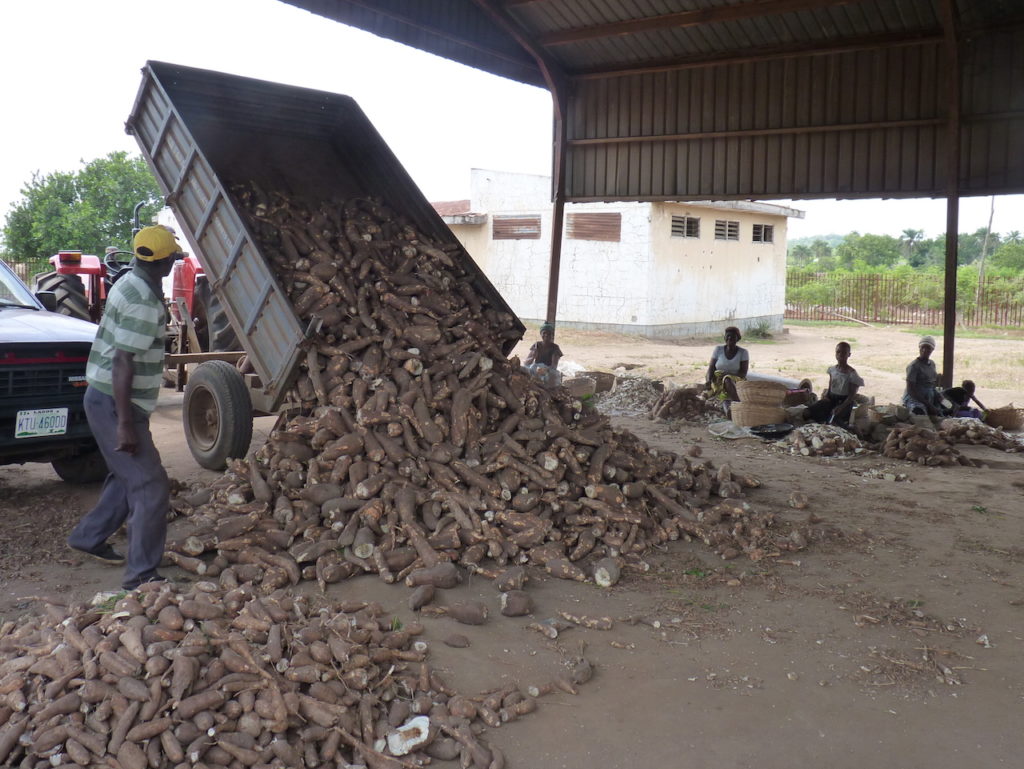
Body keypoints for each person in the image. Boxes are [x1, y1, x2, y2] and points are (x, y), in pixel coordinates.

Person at [67, 225, 180, 591]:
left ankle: (88, 536)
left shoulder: (128, 282)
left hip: (106, 399)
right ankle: (141, 576)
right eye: (173, 257)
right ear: (164, 263)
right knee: (150, 485)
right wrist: (126, 424)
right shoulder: (143, 303)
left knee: (125, 474)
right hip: (117, 404)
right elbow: (122, 362)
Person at [806, 341, 864, 427]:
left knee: (833, 420)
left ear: (849, 354)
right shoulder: (832, 370)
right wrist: (826, 396)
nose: (840, 354)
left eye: (844, 352)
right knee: (808, 411)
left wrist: (841, 407)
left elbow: (851, 396)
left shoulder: (852, 374)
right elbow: (831, 386)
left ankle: (851, 430)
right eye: (838, 352)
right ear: (835, 353)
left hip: (844, 402)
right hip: (831, 399)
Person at [705, 326, 749, 405]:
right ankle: (727, 405)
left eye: (732, 336)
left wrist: (727, 374)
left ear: (737, 339)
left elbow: (743, 373)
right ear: (724, 337)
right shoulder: (718, 349)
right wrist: (708, 380)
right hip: (718, 380)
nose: (729, 338)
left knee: (727, 379)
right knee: (722, 398)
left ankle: (738, 403)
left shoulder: (743, 352)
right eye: (727, 335)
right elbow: (711, 367)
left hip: (736, 380)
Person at [902, 335, 944, 416]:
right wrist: (928, 405)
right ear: (919, 348)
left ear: (932, 350)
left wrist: (938, 395)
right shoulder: (914, 366)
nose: (924, 350)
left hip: (928, 397)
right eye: (922, 347)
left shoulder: (932, 364)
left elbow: (931, 385)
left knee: (945, 408)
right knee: (919, 413)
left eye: (928, 348)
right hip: (915, 399)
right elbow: (911, 390)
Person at [523, 322, 563, 387]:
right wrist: (533, 356)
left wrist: (546, 370)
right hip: (536, 369)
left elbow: (554, 366)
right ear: (541, 334)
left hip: (548, 371)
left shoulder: (555, 348)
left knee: (554, 375)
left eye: (549, 333)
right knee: (524, 369)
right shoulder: (537, 345)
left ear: (552, 335)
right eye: (544, 333)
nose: (546, 335)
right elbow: (527, 363)